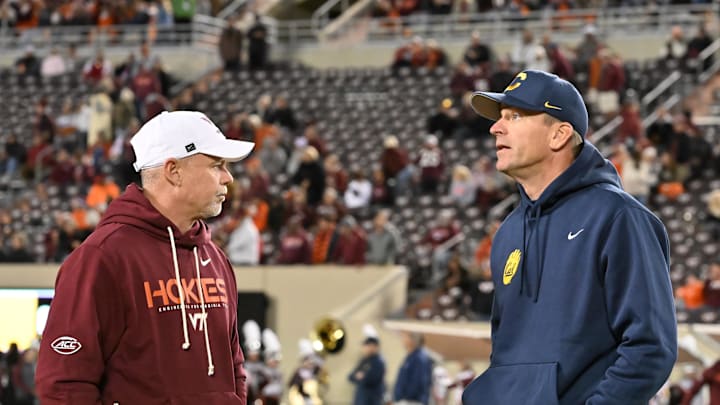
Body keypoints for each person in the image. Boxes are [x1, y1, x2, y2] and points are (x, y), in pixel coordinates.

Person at [462, 70, 677, 404]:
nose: (495, 128)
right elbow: (505, 355)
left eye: (514, 116)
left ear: (559, 135)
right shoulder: (507, 234)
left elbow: (650, 348)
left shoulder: (618, 217)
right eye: (499, 118)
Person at [36, 111, 255, 404]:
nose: (228, 178)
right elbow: (65, 385)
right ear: (173, 171)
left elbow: (234, 367)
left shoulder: (215, 258)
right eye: (217, 164)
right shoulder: (101, 258)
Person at [348, 325, 386, 405]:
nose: (364, 348)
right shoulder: (364, 361)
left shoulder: (378, 362)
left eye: (367, 345)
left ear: (374, 347)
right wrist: (359, 376)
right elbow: (351, 376)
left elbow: (370, 379)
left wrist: (362, 376)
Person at [393, 332, 432, 405]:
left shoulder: (420, 358)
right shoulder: (410, 357)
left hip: (412, 401)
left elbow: (418, 381)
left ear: (412, 341)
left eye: (406, 337)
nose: (403, 340)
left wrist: (405, 397)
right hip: (405, 400)